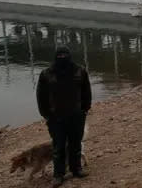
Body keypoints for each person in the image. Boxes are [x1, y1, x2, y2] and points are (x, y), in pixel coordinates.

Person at [36, 46, 92, 187]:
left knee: (75, 144)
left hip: (76, 115)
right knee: (58, 147)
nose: (62, 58)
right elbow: (41, 97)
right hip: (56, 118)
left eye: (65, 55)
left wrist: (85, 109)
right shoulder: (46, 74)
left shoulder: (80, 71)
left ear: (70, 56)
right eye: (60, 56)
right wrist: (46, 115)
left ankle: (76, 169)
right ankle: (58, 175)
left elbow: (87, 92)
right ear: (56, 57)